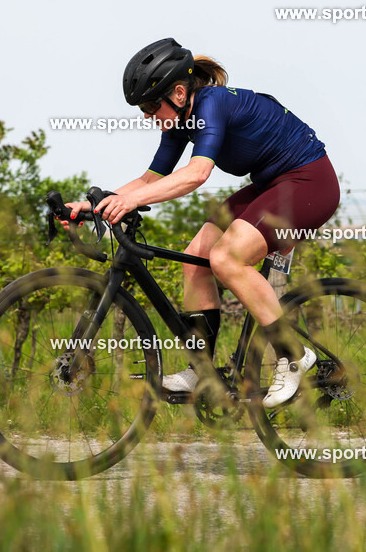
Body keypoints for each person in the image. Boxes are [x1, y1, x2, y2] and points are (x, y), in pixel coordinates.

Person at [65, 38, 340, 408]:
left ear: (179, 92)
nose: (147, 116)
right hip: (271, 184)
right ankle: (201, 371)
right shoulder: (179, 120)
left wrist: (130, 201)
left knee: (227, 258)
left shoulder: (212, 104)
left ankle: (293, 357)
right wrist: (94, 206)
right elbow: (150, 179)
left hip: (310, 182)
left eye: (150, 105)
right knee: (196, 256)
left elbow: (197, 174)